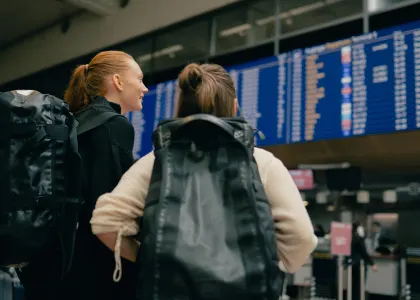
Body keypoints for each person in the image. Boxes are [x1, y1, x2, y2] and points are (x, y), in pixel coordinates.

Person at [90, 63, 317, 279]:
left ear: (180, 109)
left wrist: (152, 262)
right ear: (234, 107)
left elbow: (105, 222)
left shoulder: (156, 161)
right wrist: (267, 267)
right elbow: (303, 238)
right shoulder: (262, 162)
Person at [17, 50, 148, 300]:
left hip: (51, 266)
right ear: (118, 82)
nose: (145, 88)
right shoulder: (114, 125)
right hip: (91, 273)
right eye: (139, 79)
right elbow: (110, 209)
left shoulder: (71, 123)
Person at [349, 222, 377, 300]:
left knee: (354, 285)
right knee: (359, 285)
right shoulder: (359, 239)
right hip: (359, 265)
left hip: (353, 264)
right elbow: (364, 252)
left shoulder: (351, 237)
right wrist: (372, 263)